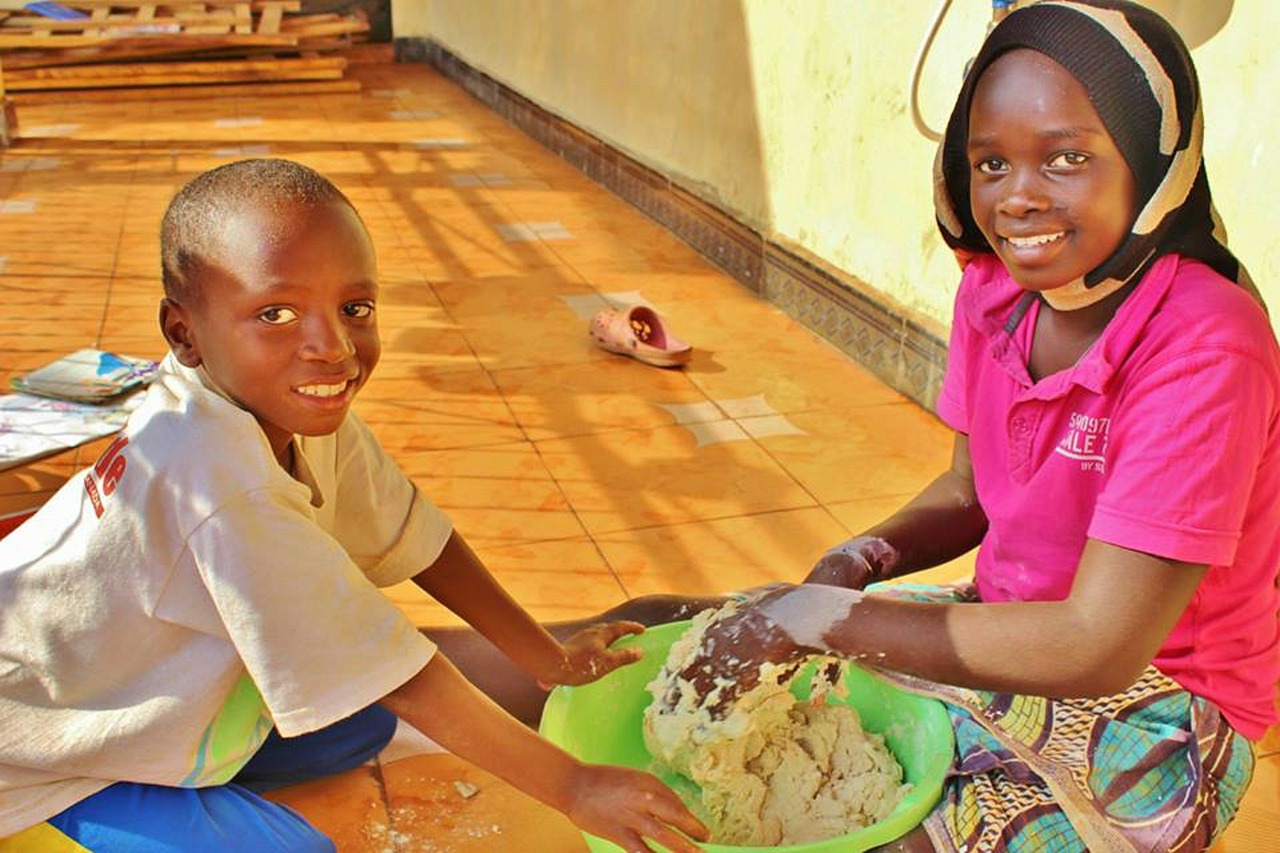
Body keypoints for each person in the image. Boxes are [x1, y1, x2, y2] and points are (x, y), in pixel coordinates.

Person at [670, 2, 1278, 852]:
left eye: (1066, 159)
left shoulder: (1205, 340)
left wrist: (814, 617)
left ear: (1154, 166)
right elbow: (969, 490)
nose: (1018, 197)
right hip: (1009, 626)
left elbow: (1095, 642)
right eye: (990, 162)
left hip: (1159, 707)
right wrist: (859, 562)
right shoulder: (993, 294)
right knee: (685, 626)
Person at [0, 158, 708, 853]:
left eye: (354, 308)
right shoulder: (220, 483)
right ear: (183, 331)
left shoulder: (279, 401)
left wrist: (544, 657)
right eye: (276, 313)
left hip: (137, 676)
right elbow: (403, 678)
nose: (333, 348)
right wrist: (576, 786)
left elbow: (415, 535)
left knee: (357, 715)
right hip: (50, 744)